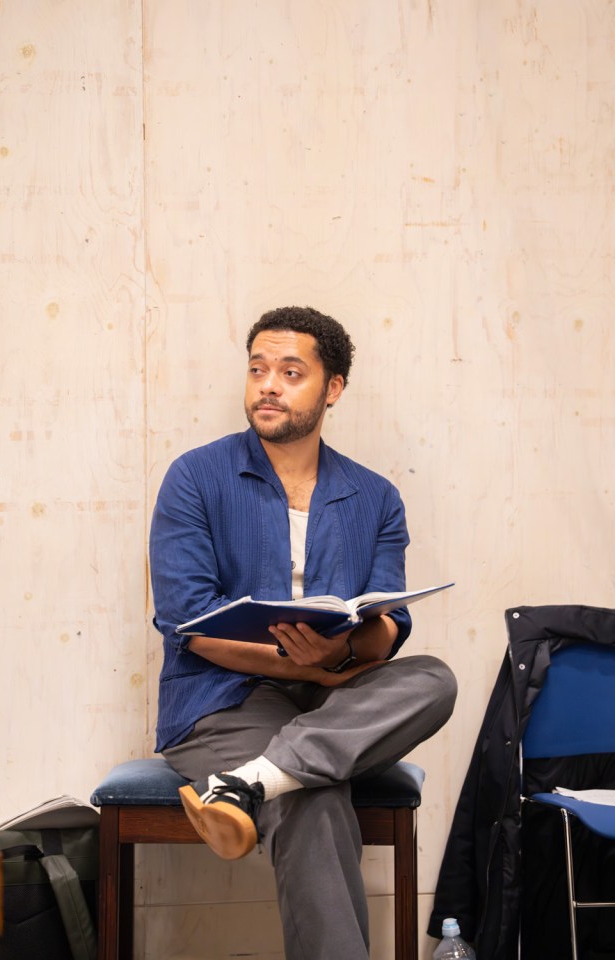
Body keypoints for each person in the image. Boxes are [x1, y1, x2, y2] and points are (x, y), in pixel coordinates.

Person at [150, 305, 457, 960]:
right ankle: (272, 773)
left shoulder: (374, 496)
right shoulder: (195, 478)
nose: (269, 385)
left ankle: (253, 780)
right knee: (314, 801)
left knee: (435, 679)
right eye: (259, 369)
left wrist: (343, 650)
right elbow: (189, 626)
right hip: (224, 701)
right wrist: (306, 669)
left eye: (291, 372)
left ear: (333, 388)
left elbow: (387, 626)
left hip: (335, 697)